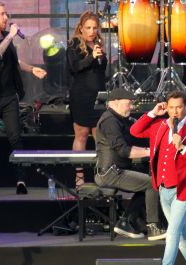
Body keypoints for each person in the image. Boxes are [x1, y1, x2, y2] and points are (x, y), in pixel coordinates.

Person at [130, 91, 186, 265]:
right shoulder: (159, 126)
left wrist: (182, 148)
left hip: (184, 189)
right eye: (171, 107)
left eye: (179, 107)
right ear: (166, 107)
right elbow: (134, 131)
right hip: (164, 188)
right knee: (182, 239)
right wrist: (152, 113)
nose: (175, 111)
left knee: (172, 234)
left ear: (185, 107)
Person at [0, 1, 46, 194]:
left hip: (8, 97)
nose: (6, 18)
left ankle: (21, 181)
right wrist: (11, 36)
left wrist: (32, 68)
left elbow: (13, 59)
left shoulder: (7, 37)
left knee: (15, 137)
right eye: (2, 14)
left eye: (6, 14)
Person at [95, 88, 166, 240]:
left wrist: (153, 114)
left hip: (120, 169)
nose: (132, 107)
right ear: (115, 102)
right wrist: (151, 152)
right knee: (152, 184)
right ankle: (153, 226)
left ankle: (126, 222)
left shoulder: (121, 119)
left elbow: (139, 131)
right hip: (110, 173)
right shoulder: (109, 121)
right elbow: (124, 151)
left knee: (152, 176)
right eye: (129, 103)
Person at [67, 11, 107, 189]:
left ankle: (102, 175)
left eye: (94, 28)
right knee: (81, 135)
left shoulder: (99, 43)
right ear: (81, 28)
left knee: (100, 136)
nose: (91, 31)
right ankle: (79, 177)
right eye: (88, 28)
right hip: (81, 95)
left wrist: (99, 56)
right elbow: (75, 68)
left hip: (98, 95)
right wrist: (92, 57)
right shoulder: (74, 44)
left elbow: (101, 69)